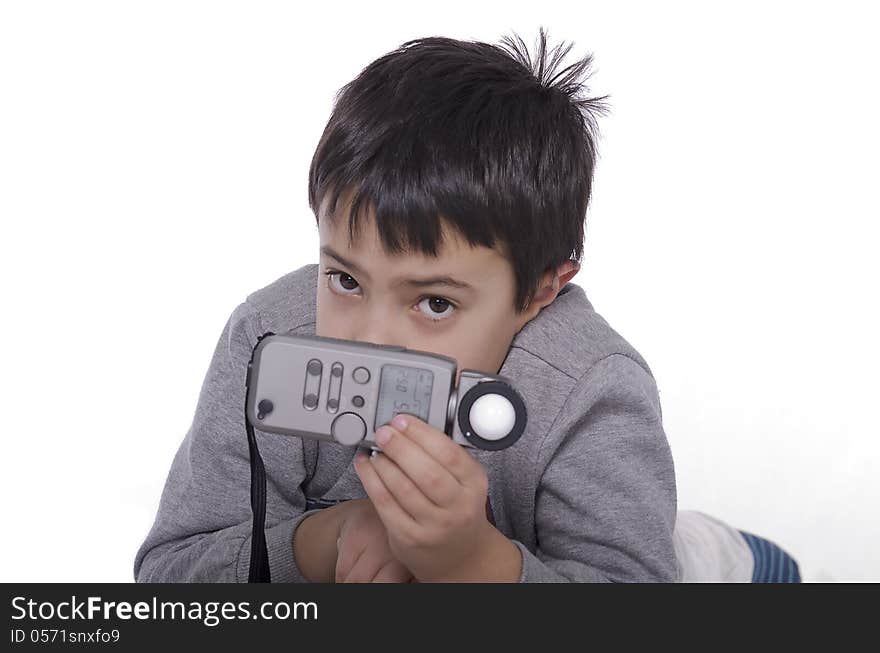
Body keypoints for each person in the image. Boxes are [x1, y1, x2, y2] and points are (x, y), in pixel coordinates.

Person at [134, 29, 797, 582]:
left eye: (433, 302)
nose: (370, 339)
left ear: (542, 288)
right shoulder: (269, 338)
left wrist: (473, 561)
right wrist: (329, 537)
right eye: (345, 280)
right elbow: (172, 571)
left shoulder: (591, 384)